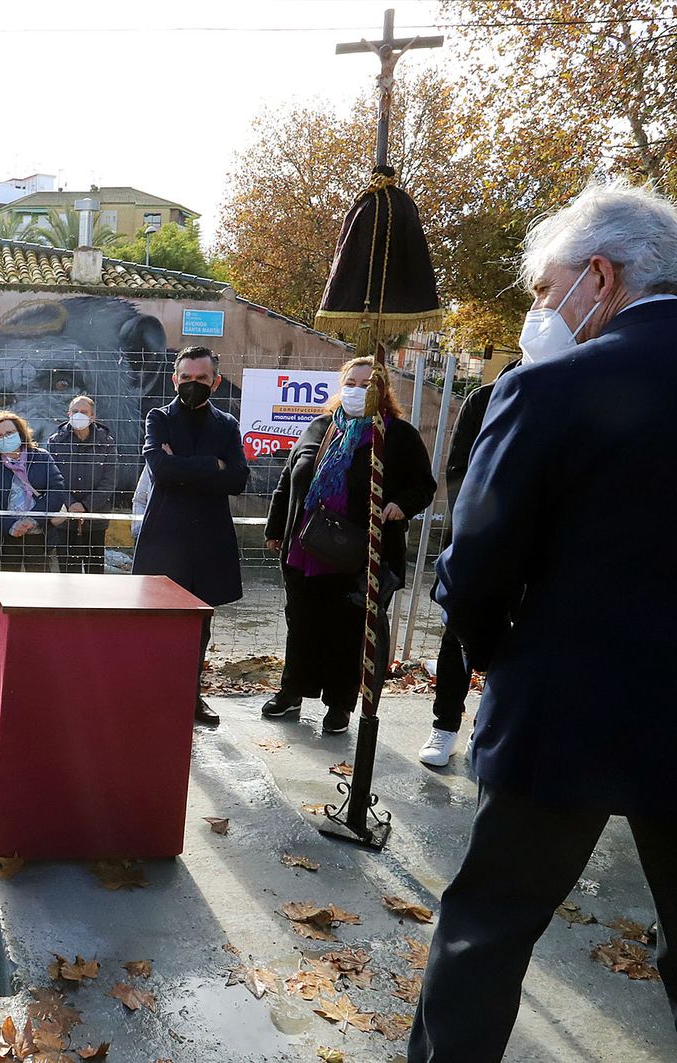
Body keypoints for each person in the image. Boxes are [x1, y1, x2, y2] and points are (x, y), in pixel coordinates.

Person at [408, 183, 677, 1062]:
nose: (538, 310)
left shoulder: (553, 384)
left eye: (542, 288)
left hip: (567, 710)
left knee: (488, 925)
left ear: (597, 277)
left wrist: (491, 656)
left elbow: (478, 563)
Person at [261, 355, 435, 734]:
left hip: (360, 557)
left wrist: (399, 505)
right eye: (351, 383)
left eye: (366, 384)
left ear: (383, 390)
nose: (356, 391)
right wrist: (276, 528)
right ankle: (291, 692)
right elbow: (289, 480)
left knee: (349, 632)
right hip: (305, 550)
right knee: (302, 626)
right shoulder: (320, 427)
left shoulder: (397, 436)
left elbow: (424, 487)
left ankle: (339, 704)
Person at [132, 348, 249, 727]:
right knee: (158, 623)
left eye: (201, 379)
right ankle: (151, 693)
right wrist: (210, 466)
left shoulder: (227, 424)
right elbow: (161, 471)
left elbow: (237, 479)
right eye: (186, 378)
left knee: (200, 625)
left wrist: (185, 466)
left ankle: (191, 696)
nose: (193, 385)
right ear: (174, 379)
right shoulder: (159, 418)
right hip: (164, 538)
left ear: (215, 381)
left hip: (209, 540)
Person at [418, 356, 519, 767]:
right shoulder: (484, 398)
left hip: (534, 551)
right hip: (476, 543)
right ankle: (444, 726)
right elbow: (459, 470)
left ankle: (488, 729)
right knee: (455, 634)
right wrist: (477, 527)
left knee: (515, 646)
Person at [0, 411, 67, 573]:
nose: (5, 438)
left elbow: (57, 489)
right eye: (0, 435)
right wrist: (11, 525)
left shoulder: (41, 458)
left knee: (39, 588)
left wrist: (33, 519)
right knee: (7, 590)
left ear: (21, 433)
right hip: (6, 539)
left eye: (10, 433)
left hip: (39, 536)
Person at [46, 394, 119, 575]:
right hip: (65, 518)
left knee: (95, 572)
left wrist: (86, 505)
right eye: (75, 411)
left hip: (96, 519)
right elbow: (52, 478)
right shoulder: (55, 442)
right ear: (68, 414)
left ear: (93, 416)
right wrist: (71, 503)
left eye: (84, 412)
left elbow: (109, 481)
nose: (79, 415)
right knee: (68, 573)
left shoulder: (106, 443)